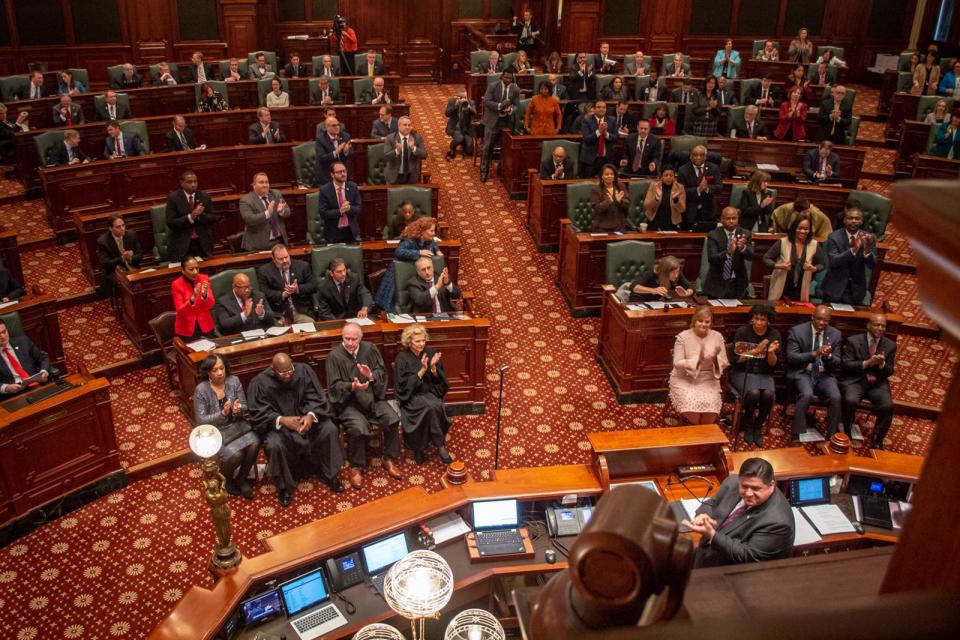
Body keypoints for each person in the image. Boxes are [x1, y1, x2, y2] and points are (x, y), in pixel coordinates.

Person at [247, 353, 346, 505]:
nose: (288, 376)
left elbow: (317, 397)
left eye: (290, 370)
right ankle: (284, 487)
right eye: (282, 373)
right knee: (274, 444)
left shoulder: (303, 370)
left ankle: (330, 475)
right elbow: (258, 413)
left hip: (305, 421)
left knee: (329, 429)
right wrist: (282, 420)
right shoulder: (259, 383)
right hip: (280, 428)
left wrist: (310, 415)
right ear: (273, 369)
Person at [326, 323, 402, 488]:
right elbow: (333, 386)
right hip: (349, 404)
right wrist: (352, 386)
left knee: (393, 418)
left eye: (354, 339)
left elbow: (382, 373)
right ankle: (356, 466)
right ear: (342, 337)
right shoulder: (334, 356)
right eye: (346, 338)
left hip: (372, 399)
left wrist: (371, 376)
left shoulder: (370, 349)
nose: (350, 342)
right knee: (358, 427)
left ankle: (388, 458)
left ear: (360, 338)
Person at [683, 458, 794, 567]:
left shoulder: (778, 523)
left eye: (756, 488)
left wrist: (712, 535)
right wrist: (703, 515)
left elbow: (748, 556)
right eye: (744, 486)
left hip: (732, 575)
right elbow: (711, 503)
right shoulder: (732, 482)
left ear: (771, 485)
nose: (748, 493)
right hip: (705, 556)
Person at [193, 354, 260, 499]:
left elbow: (244, 405)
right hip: (215, 431)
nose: (220, 373)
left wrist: (238, 409)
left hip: (236, 425)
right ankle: (227, 479)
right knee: (236, 454)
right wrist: (222, 414)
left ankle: (241, 478)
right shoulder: (201, 390)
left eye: (222, 368)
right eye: (215, 370)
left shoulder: (234, 381)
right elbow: (201, 420)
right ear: (208, 372)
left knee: (255, 442)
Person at [393, 324, 454, 464]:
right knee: (431, 408)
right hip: (411, 397)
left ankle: (420, 449)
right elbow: (402, 387)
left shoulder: (430, 352)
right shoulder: (401, 358)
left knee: (435, 406)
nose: (421, 344)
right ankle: (439, 446)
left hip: (428, 393)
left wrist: (432, 368)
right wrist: (422, 370)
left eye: (423, 340)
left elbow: (440, 383)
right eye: (417, 341)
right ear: (409, 342)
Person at [786, 305, 843, 439]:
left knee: (836, 397)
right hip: (803, 372)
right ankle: (797, 434)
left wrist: (828, 356)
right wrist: (814, 354)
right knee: (806, 394)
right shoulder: (797, 331)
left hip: (824, 374)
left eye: (826, 320)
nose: (822, 323)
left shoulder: (835, 334)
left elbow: (837, 361)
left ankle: (831, 436)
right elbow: (791, 357)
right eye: (819, 319)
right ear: (812, 317)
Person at [840, 314, 896, 449]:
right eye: (877, 325)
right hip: (856, 380)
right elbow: (846, 365)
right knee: (850, 400)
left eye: (883, 326)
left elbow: (889, 371)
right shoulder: (853, 341)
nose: (880, 328)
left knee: (888, 406)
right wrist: (867, 363)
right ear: (868, 325)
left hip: (877, 382)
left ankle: (878, 440)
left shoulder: (890, 345)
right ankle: (846, 433)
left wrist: (882, 364)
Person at [728, 304, 781, 447]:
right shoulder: (743, 332)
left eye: (762, 319)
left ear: (768, 320)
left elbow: (774, 365)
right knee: (753, 393)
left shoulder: (774, 335)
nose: (758, 322)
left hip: (764, 374)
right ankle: (748, 422)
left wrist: (770, 352)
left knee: (768, 395)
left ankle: (758, 425)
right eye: (756, 318)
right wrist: (755, 351)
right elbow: (735, 360)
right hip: (743, 372)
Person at [669, 306, 729, 424]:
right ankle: (695, 431)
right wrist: (697, 360)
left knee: (710, 411)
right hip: (685, 379)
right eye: (700, 321)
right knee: (692, 408)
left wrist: (714, 359)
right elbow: (677, 363)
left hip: (709, 379)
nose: (703, 324)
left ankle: (702, 433)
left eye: (707, 322)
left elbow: (725, 362)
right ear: (694, 321)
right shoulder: (683, 337)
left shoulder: (717, 337)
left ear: (711, 323)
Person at [375, 217, 442, 312]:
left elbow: (433, 244)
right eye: (431, 231)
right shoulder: (409, 240)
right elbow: (399, 252)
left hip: (417, 272)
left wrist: (437, 250)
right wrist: (419, 252)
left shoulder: (428, 239)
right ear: (422, 231)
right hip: (400, 273)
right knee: (393, 305)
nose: (434, 234)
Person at [821, 202, 875, 304]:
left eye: (857, 218)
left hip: (856, 290)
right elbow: (834, 261)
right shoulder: (834, 237)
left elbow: (872, 265)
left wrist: (867, 250)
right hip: (834, 288)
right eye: (850, 218)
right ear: (845, 220)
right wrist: (853, 249)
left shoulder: (868, 238)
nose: (854, 221)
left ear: (862, 221)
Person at [764, 216, 824, 302]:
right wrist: (779, 266)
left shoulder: (814, 244)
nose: (803, 231)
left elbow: (821, 264)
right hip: (782, 286)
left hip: (802, 287)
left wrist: (814, 268)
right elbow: (766, 258)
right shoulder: (783, 242)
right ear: (794, 228)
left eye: (806, 229)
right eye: (799, 228)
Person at [258, 244, 316, 325]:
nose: (285, 261)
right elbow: (263, 291)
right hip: (278, 313)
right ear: (273, 259)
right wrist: (282, 294)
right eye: (281, 259)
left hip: (300, 311)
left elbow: (313, 285)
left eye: (286, 257)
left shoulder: (302, 266)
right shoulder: (264, 271)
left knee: (311, 326)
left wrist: (297, 289)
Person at [164, 170, 215, 262]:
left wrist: (200, 214)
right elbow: (170, 222)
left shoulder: (205, 196)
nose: (193, 184)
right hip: (182, 244)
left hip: (202, 243)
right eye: (190, 182)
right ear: (182, 183)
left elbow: (212, 218)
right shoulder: (173, 198)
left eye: (195, 182)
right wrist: (190, 217)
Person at [480, 69, 519, 182]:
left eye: (510, 78)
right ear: (502, 76)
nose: (508, 80)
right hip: (492, 121)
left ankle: (502, 171)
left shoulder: (515, 89)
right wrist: (499, 106)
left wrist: (510, 109)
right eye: (506, 77)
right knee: (488, 147)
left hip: (506, 121)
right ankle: (484, 171)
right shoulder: (493, 86)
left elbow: (517, 105)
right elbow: (486, 101)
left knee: (506, 148)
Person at [704, 207, 752, 300]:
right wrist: (728, 252)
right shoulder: (713, 234)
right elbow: (712, 258)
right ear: (722, 219)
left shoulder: (745, 233)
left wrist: (743, 248)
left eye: (734, 218)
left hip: (738, 283)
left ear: (738, 219)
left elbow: (751, 256)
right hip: (717, 283)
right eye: (728, 218)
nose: (731, 221)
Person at [0, 319, 50, 396]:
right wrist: (5, 387)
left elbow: (43, 358)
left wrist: (44, 372)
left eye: (4, 332)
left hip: (36, 384)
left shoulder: (23, 341)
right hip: (12, 394)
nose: (2, 336)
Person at [677, 145, 723, 230]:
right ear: (690, 156)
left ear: (705, 157)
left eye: (701, 155)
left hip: (709, 211)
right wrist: (698, 189)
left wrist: (707, 188)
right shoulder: (682, 170)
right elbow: (681, 191)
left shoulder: (714, 168)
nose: (698, 157)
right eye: (695, 155)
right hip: (689, 213)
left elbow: (720, 187)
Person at [96, 214, 142, 298]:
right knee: (124, 284)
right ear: (110, 228)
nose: (122, 229)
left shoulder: (132, 235)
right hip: (114, 271)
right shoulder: (103, 242)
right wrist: (122, 258)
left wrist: (130, 258)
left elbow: (140, 255)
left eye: (123, 225)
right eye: (118, 227)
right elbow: (105, 263)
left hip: (132, 267)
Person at [240, 173, 289, 250]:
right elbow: (249, 219)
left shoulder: (276, 194)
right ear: (254, 185)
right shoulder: (246, 200)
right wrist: (267, 213)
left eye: (267, 182)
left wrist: (281, 212)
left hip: (280, 242)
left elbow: (287, 211)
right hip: (259, 245)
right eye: (261, 182)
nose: (265, 185)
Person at [171, 257, 215, 341]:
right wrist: (192, 299)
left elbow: (211, 304)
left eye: (197, 268)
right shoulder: (176, 284)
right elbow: (180, 312)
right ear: (183, 270)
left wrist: (205, 296)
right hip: (187, 329)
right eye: (191, 269)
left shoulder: (204, 279)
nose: (195, 272)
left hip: (206, 325)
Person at [318, 161, 362, 243]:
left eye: (344, 171)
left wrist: (349, 208)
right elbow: (323, 213)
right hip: (333, 233)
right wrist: (340, 211)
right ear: (332, 175)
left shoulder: (353, 187)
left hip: (350, 231)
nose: (343, 174)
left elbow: (358, 208)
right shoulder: (325, 190)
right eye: (339, 172)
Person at [627, 255, 693, 302]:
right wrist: (653, 290)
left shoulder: (677, 274)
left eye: (677, 272)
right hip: (638, 302)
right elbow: (633, 287)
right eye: (673, 272)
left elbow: (691, 287)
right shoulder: (651, 272)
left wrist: (686, 293)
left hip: (655, 303)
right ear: (665, 271)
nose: (676, 275)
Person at [384, 116, 427, 184]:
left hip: (411, 176)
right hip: (395, 176)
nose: (407, 127)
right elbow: (386, 157)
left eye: (409, 125)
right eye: (405, 125)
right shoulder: (391, 138)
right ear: (399, 126)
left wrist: (413, 148)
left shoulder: (417, 138)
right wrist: (397, 151)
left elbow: (424, 155)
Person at [580, 100, 617, 178]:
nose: (601, 109)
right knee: (588, 184)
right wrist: (599, 132)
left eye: (603, 107)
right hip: (590, 159)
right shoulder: (586, 120)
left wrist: (606, 134)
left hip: (606, 158)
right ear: (594, 109)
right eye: (599, 107)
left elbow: (616, 137)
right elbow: (586, 138)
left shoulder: (612, 120)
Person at [642, 166, 685, 231]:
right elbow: (646, 206)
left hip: (672, 223)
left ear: (674, 177)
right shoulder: (654, 186)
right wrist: (656, 198)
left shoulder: (679, 188)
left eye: (671, 175)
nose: (668, 177)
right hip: (654, 221)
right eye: (666, 175)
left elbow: (682, 209)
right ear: (661, 176)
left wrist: (676, 200)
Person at [315, 116, 353, 185]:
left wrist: (345, 152)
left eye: (338, 125)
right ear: (327, 127)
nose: (337, 127)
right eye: (334, 125)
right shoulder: (320, 139)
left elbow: (352, 154)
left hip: (343, 173)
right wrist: (335, 152)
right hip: (327, 174)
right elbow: (321, 159)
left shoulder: (345, 136)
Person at [589, 164, 627, 232]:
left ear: (615, 176)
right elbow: (597, 208)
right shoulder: (596, 189)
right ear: (602, 176)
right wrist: (608, 202)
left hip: (619, 226)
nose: (609, 176)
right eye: (606, 174)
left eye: (612, 174)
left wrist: (620, 201)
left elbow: (628, 205)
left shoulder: (621, 187)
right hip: (601, 227)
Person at [444, 89, 476, 159]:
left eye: (464, 97)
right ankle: (452, 147)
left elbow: (475, 113)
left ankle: (464, 143)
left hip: (467, 129)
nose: (463, 99)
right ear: (457, 97)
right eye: (461, 98)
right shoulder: (452, 102)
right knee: (460, 138)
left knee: (469, 152)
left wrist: (469, 108)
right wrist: (455, 105)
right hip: (455, 127)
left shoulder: (470, 102)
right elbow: (447, 114)